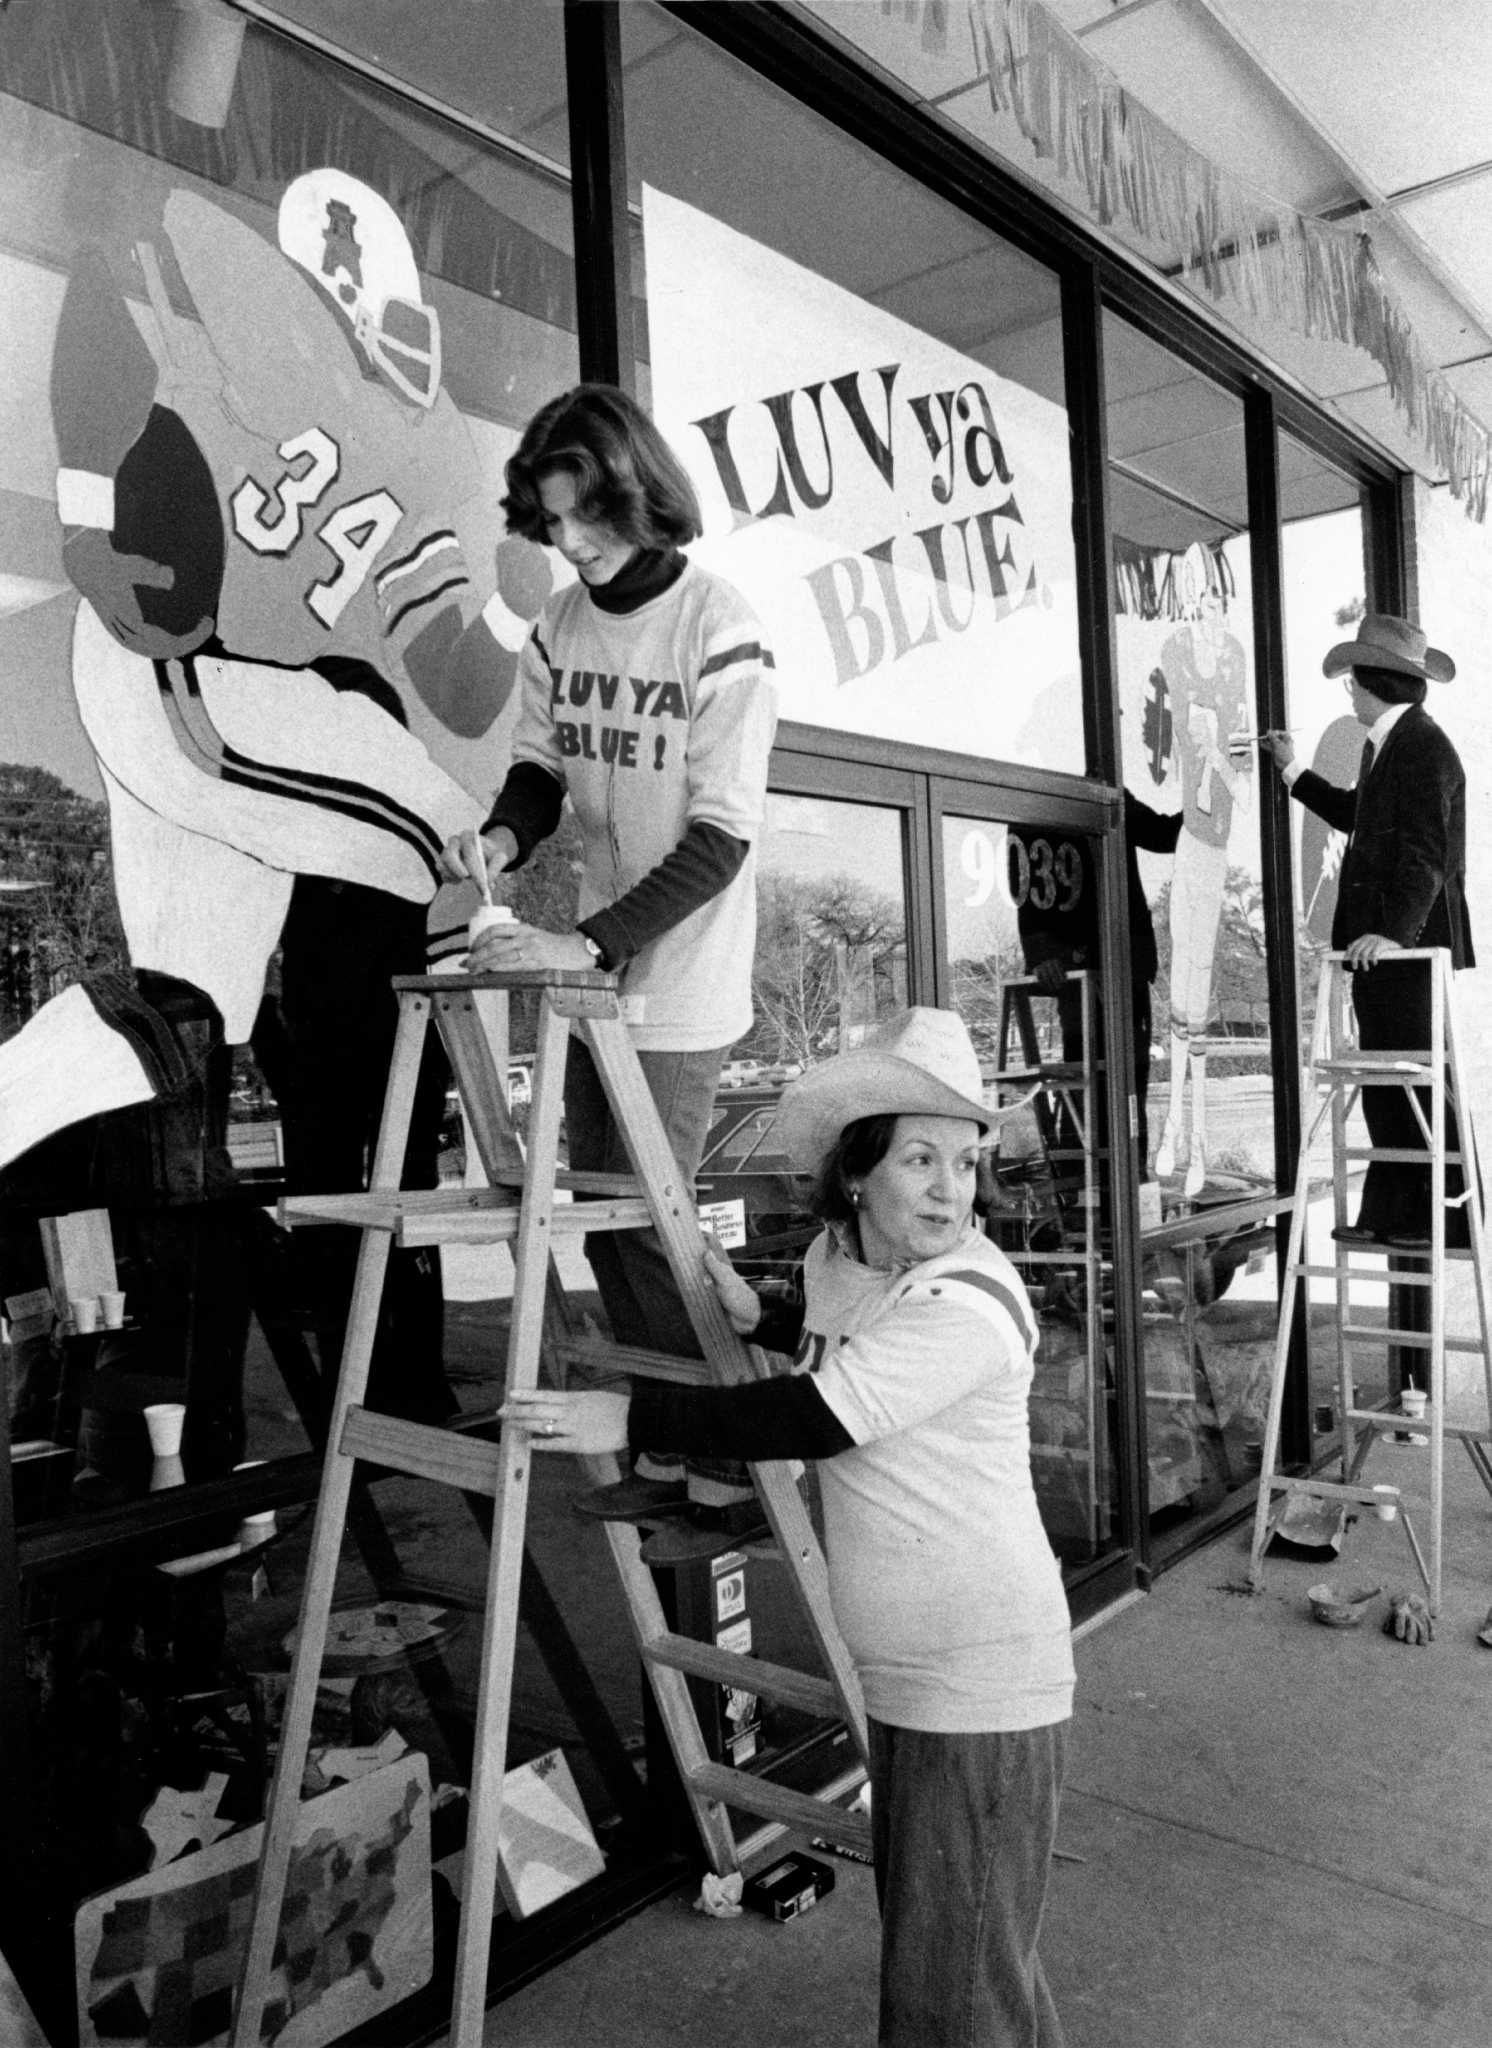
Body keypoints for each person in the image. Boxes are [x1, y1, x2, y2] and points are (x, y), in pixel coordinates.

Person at [501, 1007, 1075, 2047]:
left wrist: (629, 1414)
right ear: (857, 1172)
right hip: (907, 1678)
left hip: (979, 1683)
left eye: (964, 1158)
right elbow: (827, 1333)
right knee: (968, 1961)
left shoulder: (970, 1301)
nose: (954, 1188)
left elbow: (810, 1413)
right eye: (920, 1158)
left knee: (951, 1995)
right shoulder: (840, 1261)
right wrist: (760, 1311)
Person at [445, 383, 778, 1553]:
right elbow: (539, 767)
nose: (571, 546)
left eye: (588, 520)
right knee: (602, 1216)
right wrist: (501, 836)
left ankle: (727, 1463)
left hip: (676, 974)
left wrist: (587, 940)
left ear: (642, 498)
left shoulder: (717, 624)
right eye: (551, 525)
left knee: (652, 1219)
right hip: (591, 969)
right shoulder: (558, 630)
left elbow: (723, 838)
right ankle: (670, 1443)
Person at [1261, 613, 1474, 1277]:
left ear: (1375, 682)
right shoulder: (1387, 745)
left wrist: (1394, 934)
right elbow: (1359, 816)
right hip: (1381, 950)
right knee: (1389, 1083)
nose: (1348, 691)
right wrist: (1292, 769)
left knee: (1412, 1082)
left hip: (1404, 950)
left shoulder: (1423, 748)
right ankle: (1396, 1213)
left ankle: (1445, 1221)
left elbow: (1426, 855)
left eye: (1354, 680)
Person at [1011, 792, 1182, 1173]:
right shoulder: (1039, 799)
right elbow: (1026, 879)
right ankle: (1089, 1189)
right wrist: (1042, 954)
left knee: (1125, 1085)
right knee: (1089, 1080)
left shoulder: (1110, 794)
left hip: (1121, 967)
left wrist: (1214, 789)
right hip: (1082, 970)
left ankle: (1127, 1186)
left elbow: (1164, 835)